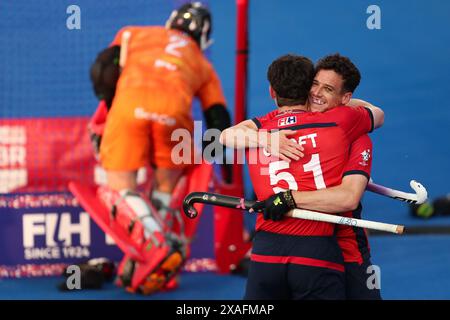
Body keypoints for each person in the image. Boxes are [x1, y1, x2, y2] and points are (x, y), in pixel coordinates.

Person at [88, 2, 231, 294]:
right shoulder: (204, 66)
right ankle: (158, 246)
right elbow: (217, 118)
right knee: (165, 188)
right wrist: (222, 165)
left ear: (170, 22)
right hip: (175, 118)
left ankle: (156, 244)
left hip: (130, 107)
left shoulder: (132, 33)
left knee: (120, 188)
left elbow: (102, 69)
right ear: (204, 37)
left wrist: (109, 106)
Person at [220, 54, 383, 299]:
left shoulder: (264, 125)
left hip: (338, 245)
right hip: (317, 247)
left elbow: (223, 137)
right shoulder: (340, 123)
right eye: (314, 84)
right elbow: (375, 113)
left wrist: (288, 198)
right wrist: (264, 138)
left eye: (328, 89)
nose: (316, 93)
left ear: (272, 91)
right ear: (304, 86)